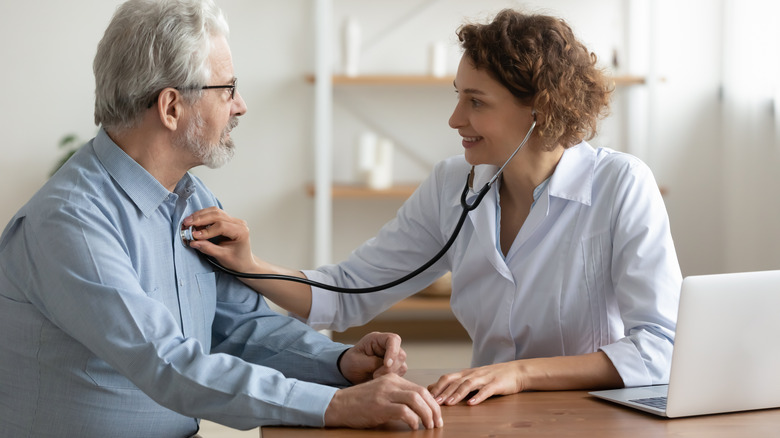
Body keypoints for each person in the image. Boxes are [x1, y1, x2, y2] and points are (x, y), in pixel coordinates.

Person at [185, 9, 683, 407]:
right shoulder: (453, 186)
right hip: (492, 416)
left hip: (598, 418)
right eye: (456, 97)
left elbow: (660, 348)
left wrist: (521, 373)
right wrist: (248, 266)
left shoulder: (621, 186)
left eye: (476, 101)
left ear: (540, 109)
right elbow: (348, 293)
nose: (455, 118)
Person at [0, 0, 444, 436]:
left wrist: (339, 364)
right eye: (227, 89)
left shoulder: (192, 201)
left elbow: (241, 327)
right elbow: (165, 362)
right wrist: (334, 405)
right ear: (171, 107)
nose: (241, 105)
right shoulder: (70, 221)